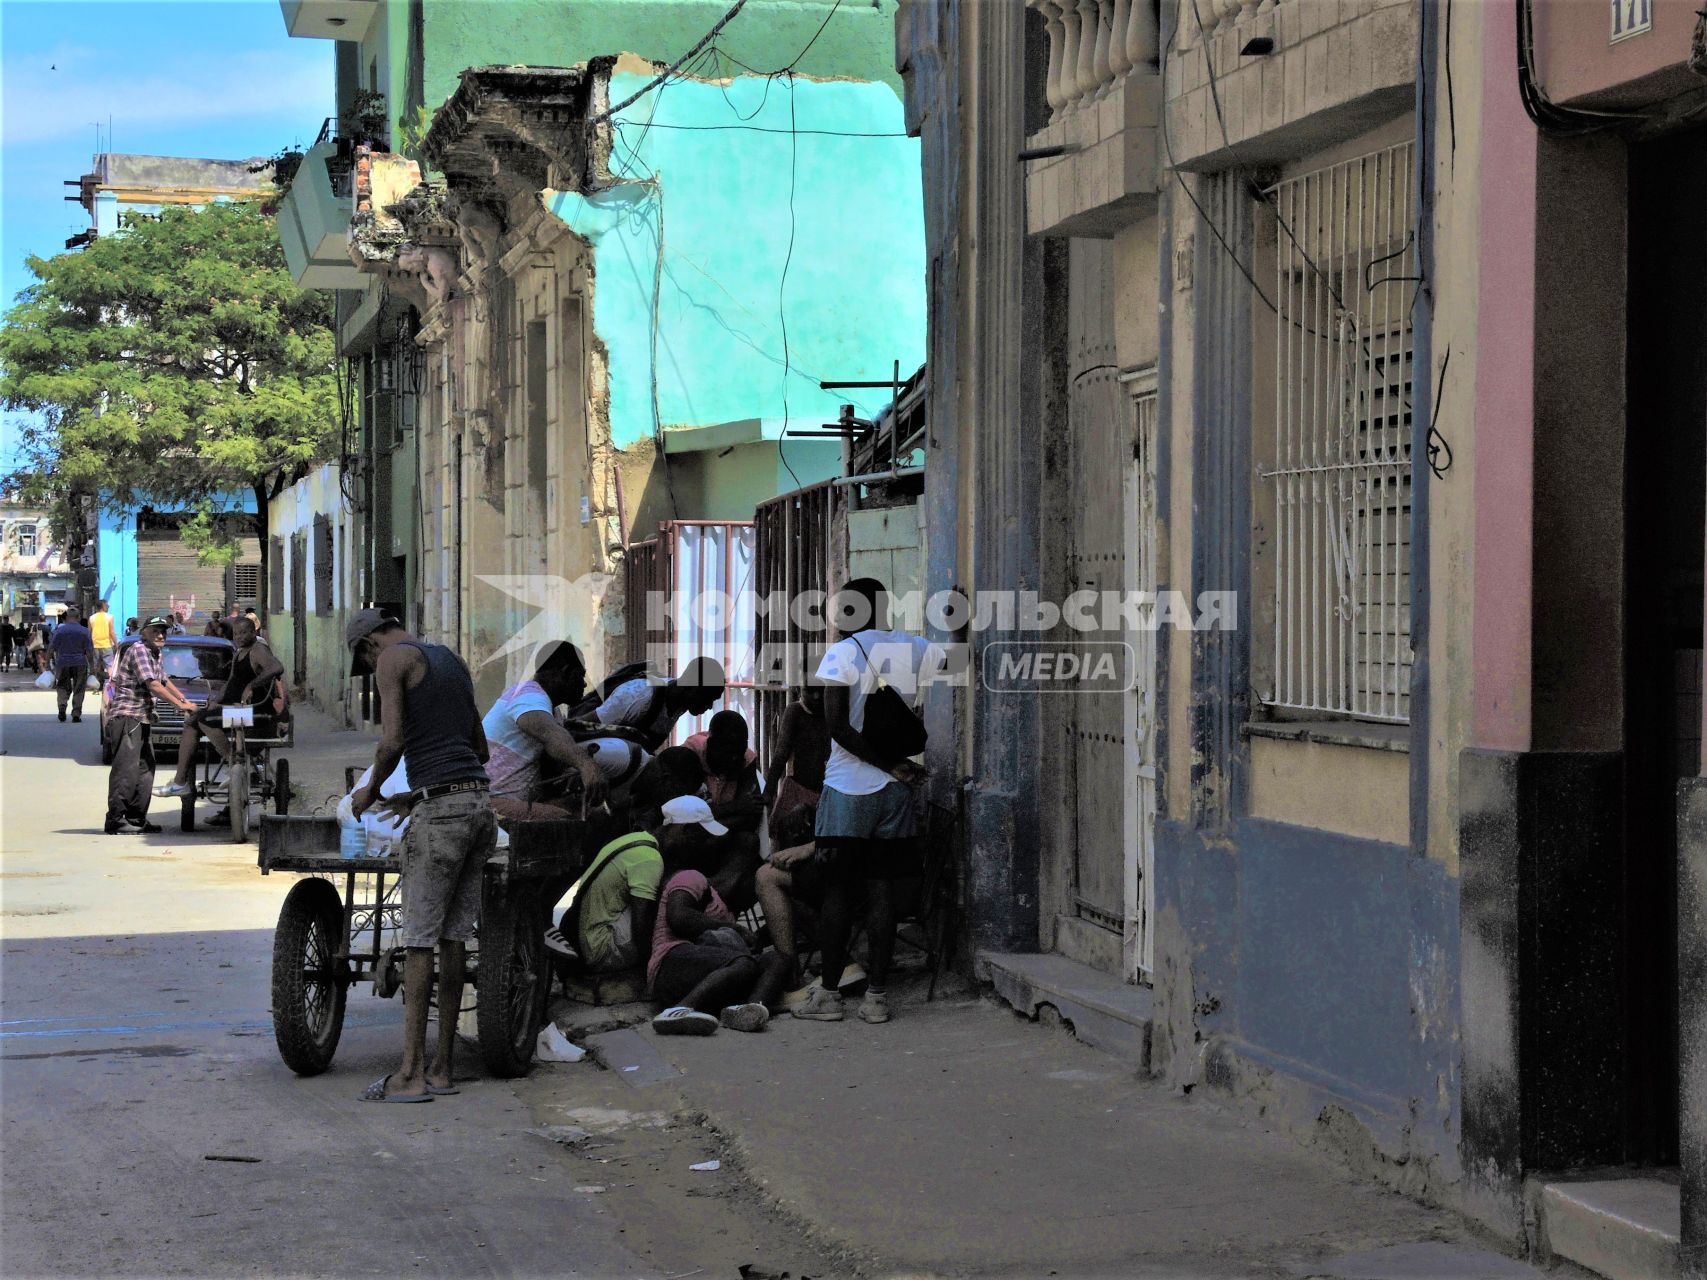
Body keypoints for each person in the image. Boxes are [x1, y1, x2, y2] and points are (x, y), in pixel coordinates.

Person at [346, 608, 493, 1104]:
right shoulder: (450, 659)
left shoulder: (392, 661)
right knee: (453, 938)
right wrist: (419, 793)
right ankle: (442, 1069)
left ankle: (409, 1074)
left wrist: (366, 792)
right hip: (477, 806)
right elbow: (478, 746)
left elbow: (392, 743)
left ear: (369, 645)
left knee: (420, 941)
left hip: (444, 817)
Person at [792, 578, 939, 1026]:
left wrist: (883, 764)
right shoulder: (915, 647)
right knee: (882, 894)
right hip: (894, 796)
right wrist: (895, 767)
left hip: (848, 790)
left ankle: (830, 996)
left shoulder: (843, 653)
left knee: (839, 893)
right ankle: (876, 996)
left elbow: (837, 726)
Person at [647, 795, 792, 1036]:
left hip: (713, 969)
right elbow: (679, 918)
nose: (708, 843)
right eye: (702, 836)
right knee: (743, 964)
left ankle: (747, 1010)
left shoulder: (714, 894)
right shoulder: (689, 877)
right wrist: (737, 930)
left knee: (778, 959)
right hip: (673, 963)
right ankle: (679, 1010)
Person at [153, 614, 284, 799]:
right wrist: (216, 701)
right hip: (237, 710)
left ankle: (232, 765)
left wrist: (252, 685)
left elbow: (276, 667)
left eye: (244, 632)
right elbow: (231, 682)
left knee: (202, 720)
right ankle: (181, 781)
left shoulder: (258, 649)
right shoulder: (239, 652)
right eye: (236, 633)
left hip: (255, 712)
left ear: (254, 632)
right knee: (192, 723)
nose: (239, 636)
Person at [483, 640, 608, 823]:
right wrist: (587, 766)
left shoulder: (550, 708)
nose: (583, 685)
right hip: (493, 803)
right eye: (580, 676)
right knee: (565, 823)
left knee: (592, 812)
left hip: (514, 801)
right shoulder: (528, 697)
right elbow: (550, 734)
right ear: (565, 672)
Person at [104, 615, 197, 835]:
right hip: (128, 716)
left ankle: (136, 818)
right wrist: (180, 706)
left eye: (163, 631)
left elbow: (164, 680)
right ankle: (115, 820)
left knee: (145, 768)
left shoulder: (155, 653)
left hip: (142, 717)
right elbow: (153, 685)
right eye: (155, 631)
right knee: (126, 769)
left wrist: (184, 700)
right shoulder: (139, 650)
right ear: (143, 632)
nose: (160, 635)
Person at [681, 709, 765, 912]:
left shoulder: (746, 761)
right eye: (729, 752)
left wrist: (712, 817)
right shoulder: (689, 755)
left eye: (740, 751)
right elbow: (684, 816)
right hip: (691, 840)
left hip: (725, 841)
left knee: (749, 844)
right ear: (712, 744)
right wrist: (734, 808)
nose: (736, 759)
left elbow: (752, 815)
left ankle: (712, 899)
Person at [582, 656, 727, 754]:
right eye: (709, 699)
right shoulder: (640, 696)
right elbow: (582, 726)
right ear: (691, 687)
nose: (709, 707)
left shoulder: (681, 703)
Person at [47, 605, 96, 723]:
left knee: (62, 686)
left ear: (67, 617)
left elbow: (51, 648)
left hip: (63, 662)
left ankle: (62, 706)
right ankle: (76, 713)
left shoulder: (60, 630)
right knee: (79, 688)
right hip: (80, 662)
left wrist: (47, 665)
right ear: (78, 617)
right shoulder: (85, 631)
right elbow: (89, 651)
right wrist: (92, 666)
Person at [88, 600, 116, 680]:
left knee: (96, 666)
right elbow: (112, 632)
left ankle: (96, 684)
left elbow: (89, 633)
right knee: (109, 666)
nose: (108, 606)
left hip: (95, 646)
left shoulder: (91, 618)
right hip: (107, 645)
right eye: (107, 605)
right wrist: (116, 644)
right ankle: (110, 683)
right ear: (103, 606)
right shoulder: (110, 617)